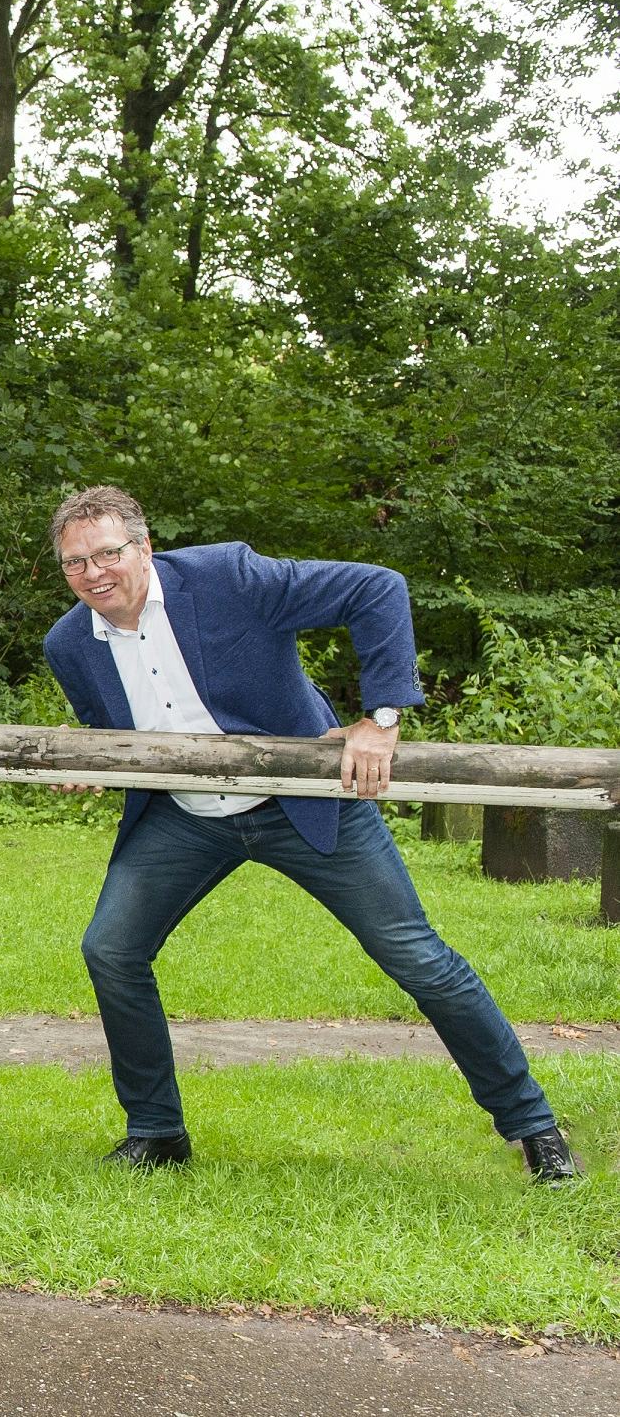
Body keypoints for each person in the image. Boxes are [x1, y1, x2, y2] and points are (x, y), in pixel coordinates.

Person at [42, 484, 579, 1183]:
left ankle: (534, 1127)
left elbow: (376, 589)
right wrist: (89, 759)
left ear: (144, 547)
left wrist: (380, 719)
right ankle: (155, 1132)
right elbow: (114, 732)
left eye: (107, 553)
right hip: (184, 817)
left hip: (302, 801)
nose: (93, 573)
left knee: (415, 956)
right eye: (74, 562)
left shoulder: (228, 578)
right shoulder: (68, 644)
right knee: (111, 949)